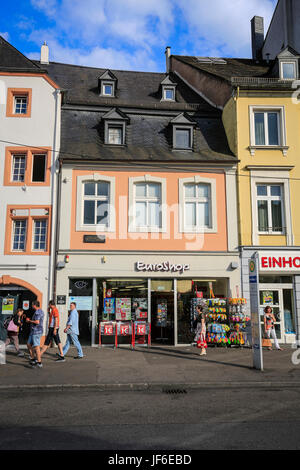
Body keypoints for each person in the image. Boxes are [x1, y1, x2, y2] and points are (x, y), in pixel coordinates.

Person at [26, 300, 44, 368]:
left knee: (36, 347)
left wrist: (29, 320)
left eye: (32, 304)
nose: (31, 306)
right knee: (28, 344)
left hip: (36, 331)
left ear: (34, 305)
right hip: (33, 331)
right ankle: (33, 359)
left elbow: (37, 322)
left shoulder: (38, 312)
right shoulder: (40, 311)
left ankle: (39, 362)